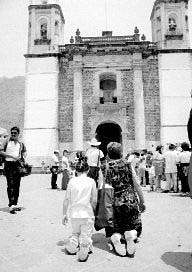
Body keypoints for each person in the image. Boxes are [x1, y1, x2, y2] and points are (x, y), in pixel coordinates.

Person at [101, 142, 146, 257]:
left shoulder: (105, 167)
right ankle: (130, 235)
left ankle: (116, 238)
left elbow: (104, 187)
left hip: (113, 202)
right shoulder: (128, 164)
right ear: (121, 153)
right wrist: (142, 201)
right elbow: (136, 184)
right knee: (135, 227)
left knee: (114, 229)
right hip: (129, 199)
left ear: (108, 154)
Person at [62, 154, 97, 262]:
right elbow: (94, 200)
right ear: (88, 169)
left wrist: (64, 214)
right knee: (86, 233)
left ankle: (73, 243)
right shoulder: (91, 181)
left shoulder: (72, 181)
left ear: (76, 170)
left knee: (75, 233)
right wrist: (94, 212)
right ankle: (85, 244)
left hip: (74, 214)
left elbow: (66, 199)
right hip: (87, 213)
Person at [0, 126, 27, 214]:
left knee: (17, 185)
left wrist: (22, 158)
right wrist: (11, 156)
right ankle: (11, 205)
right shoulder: (6, 141)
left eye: (15, 133)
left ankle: (14, 204)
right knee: (10, 184)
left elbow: (24, 152)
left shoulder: (21, 143)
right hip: (8, 165)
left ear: (18, 134)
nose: (13, 134)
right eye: (12, 133)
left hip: (17, 166)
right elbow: (0, 151)